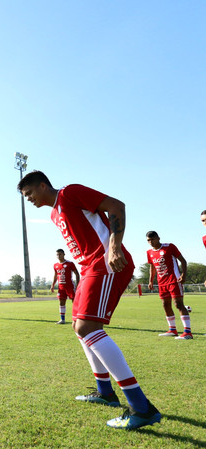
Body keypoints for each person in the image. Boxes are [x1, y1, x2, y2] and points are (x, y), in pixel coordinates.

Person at [17, 170, 160, 430]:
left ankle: (142, 408)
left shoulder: (69, 192)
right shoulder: (53, 213)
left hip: (104, 263)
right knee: (78, 328)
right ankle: (105, 392)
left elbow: (116, 206)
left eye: (29, 194)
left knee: (88, 327)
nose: (29, 200)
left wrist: (114, 247)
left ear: (42, 185)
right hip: (88, 269)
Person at [146, 231, 191, 339]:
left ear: (158, 238)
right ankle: (172, 329)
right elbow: (152, 267)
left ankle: (187, 332)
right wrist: (151, 281)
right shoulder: (149, 252)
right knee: (165, 305)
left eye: (153, 239)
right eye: (148, 240)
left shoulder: (169, 247)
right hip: (161, 283)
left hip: (174, 280)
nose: (151, 242)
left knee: (178, 304)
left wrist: (183, 275)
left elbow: (183, 261)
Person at [50, 249, 80, 324]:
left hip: (70, 286)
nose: (58, 256)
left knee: (75, 302)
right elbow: (55, 275)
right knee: (61, 302)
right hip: (61, 287)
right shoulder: (55, 265)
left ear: (64, 254)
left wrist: (78, 284)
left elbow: (77, 273)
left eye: (60, 254)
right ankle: (62, 319)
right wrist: (52, 285)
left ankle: (77, 319)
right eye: (57, 254)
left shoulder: (70, 264)